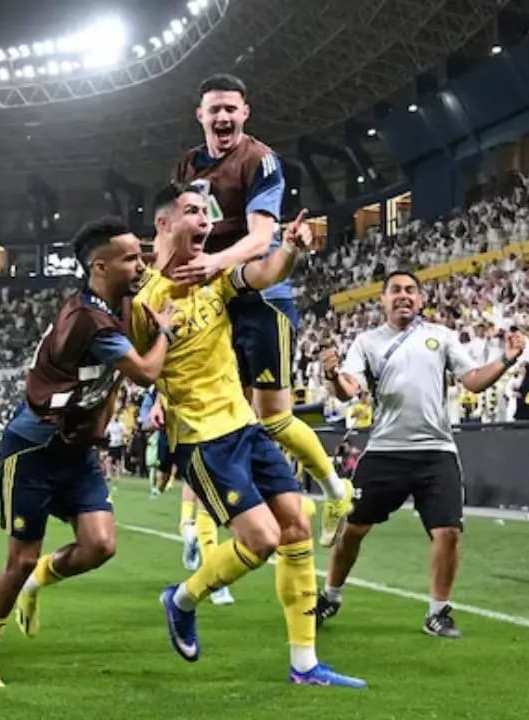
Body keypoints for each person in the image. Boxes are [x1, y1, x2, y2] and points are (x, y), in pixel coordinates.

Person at [136, 183, 364, 688]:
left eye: (207, 213)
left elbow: (264, 272)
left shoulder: (214, 276)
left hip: (246, 427)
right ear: (164, 224)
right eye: (193, 212)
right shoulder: (144, 299)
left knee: (297, 527)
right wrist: (155, 385)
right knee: (261, 539)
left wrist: (292, 249)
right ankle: (182, 600)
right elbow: (137, 370)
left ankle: (304, 665)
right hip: (201, 439)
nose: (205, 221)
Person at [0, 216, 178, 687]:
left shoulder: (110, 305)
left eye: (140, 255)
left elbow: (111, 381)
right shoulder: (92, 320)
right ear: (99, 266)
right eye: (130, 258)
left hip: (74, 448)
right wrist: (166, 332)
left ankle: (39, 580)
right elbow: (144, 373)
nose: (139, 264)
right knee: (17, 559)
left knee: (100, 545)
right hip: (33, 448)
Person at [171, 73, 352, 547]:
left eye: (232, 108)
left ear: (245, 113)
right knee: (225, 417)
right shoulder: (189, 164)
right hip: (217, 300)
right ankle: (206, 534)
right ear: (201, 116)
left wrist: (212, 262)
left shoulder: (260, 160)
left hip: (261, 296)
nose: (224, 117)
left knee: (271, 417)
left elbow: (258, 238)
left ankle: (337, 489)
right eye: (215, 109)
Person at [318, 270, 526, 638]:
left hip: (436, 452)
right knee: (352, 531)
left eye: (410, 290)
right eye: (395, 290)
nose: (404, 296)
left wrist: (507, 360)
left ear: (421, 299)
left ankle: (438, 611)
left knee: (448, 532)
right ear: (382, 299)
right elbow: (348, 389)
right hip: (384, 452)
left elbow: (473, 380)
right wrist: (333, 375)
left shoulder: (440, 337)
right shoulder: (367, 342)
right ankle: (330, 595)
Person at [142, 386, 234, 606]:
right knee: (203, 491)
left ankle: (187, 529)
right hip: (196, 421)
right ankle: (215, 581)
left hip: (186, 423)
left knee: (194, 482)